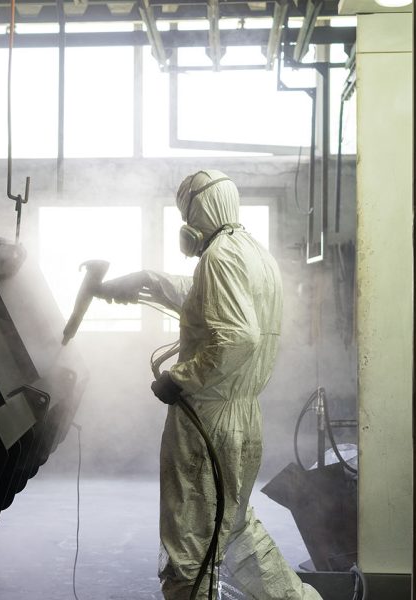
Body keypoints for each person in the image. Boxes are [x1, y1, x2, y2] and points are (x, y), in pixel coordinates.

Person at [98, 170, 321, 600]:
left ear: (200, 210)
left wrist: (179, 378)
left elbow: (238, 337)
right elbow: (205, 295)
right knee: (233, 528)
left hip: (207, 418)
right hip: (242, 415)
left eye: (188, 214)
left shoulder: (218, 256)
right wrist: (146, 281)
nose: (187, 226)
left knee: (188, 548)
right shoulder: (251, 252)